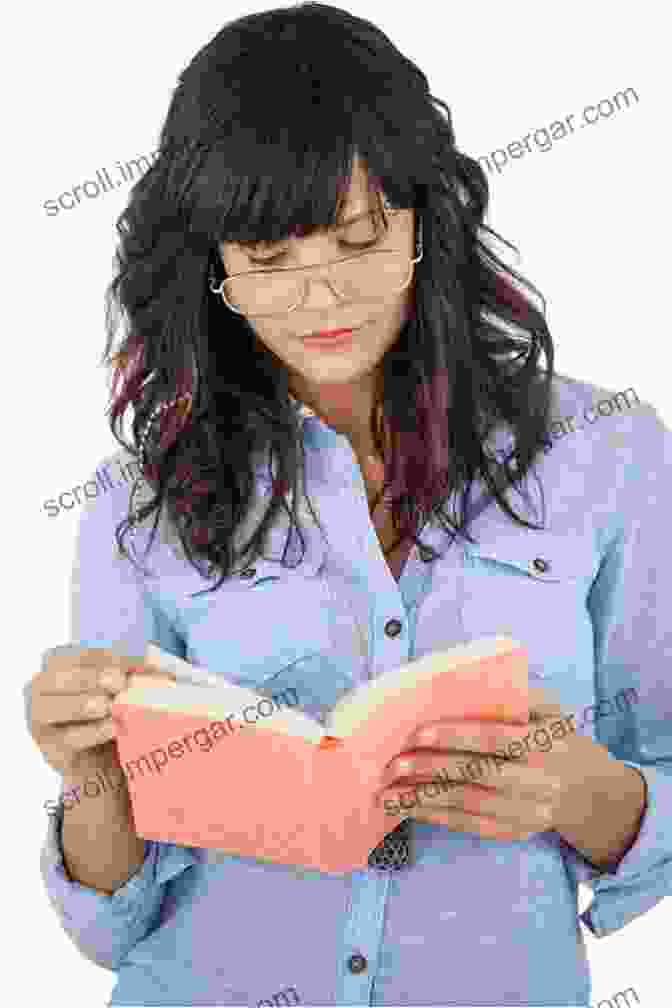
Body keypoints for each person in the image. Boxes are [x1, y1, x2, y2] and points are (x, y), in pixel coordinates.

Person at [26, 4, 671, 1006]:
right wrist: (91, 777)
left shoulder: (606, 453)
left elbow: (660, 773)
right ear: (212, 268)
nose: (320, 297)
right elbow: (111, 918)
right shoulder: (134, 504)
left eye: (357, 239)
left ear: (425, 220)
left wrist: (588, 793)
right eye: (268, 259)